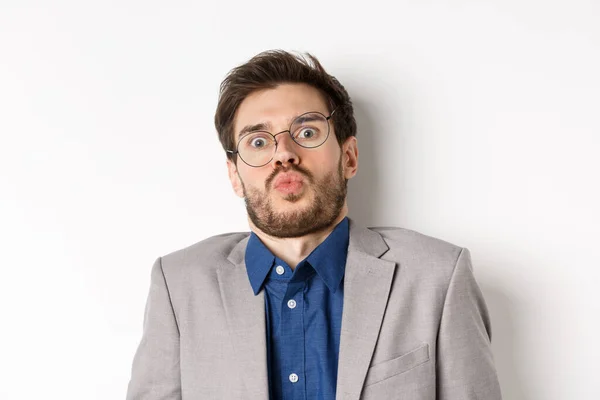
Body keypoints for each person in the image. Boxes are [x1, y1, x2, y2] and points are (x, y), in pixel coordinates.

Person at [126, 50, 502, 400]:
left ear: (349, 157)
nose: (284, 154)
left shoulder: (437, 277)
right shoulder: (178, 285)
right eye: (258, 141)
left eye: (306, 133)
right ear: (235, 176)